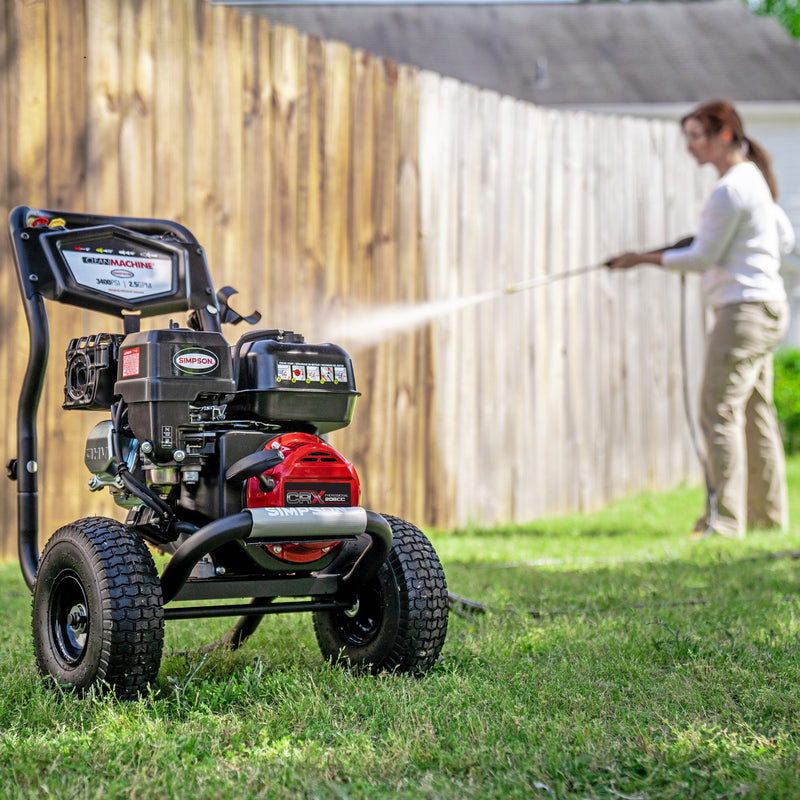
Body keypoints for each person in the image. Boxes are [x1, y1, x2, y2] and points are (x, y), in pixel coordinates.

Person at [607, 99, 796, 539]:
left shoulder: (730, 189)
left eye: (697, 135)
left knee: (718, 411)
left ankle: (725, 521)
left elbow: (703, 256)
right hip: (768, 308)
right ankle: (768, 518)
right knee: (754, 412)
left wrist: (640, 258)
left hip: (742, 313)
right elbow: (782, 237)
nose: (690, 146)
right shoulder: (755, 182)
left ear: (724, 135)